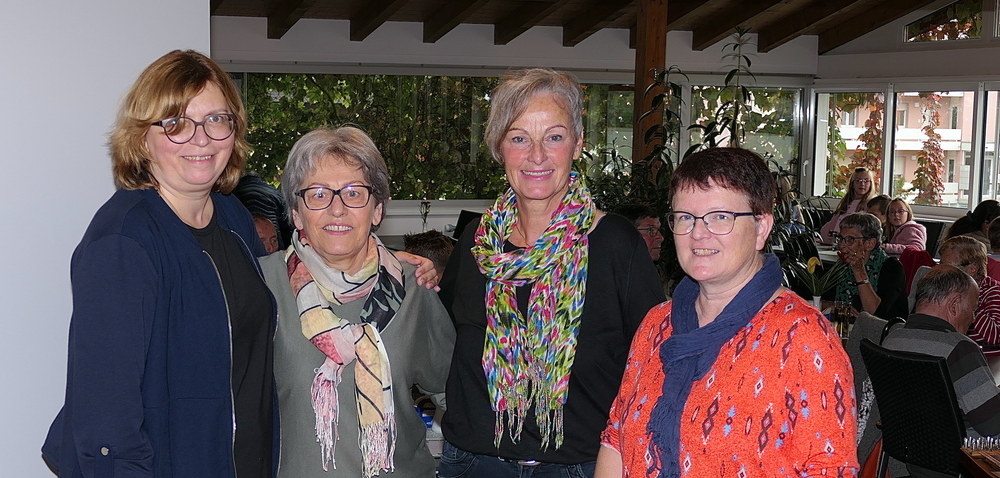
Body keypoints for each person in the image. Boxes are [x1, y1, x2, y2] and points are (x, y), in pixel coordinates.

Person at [42, 50, 278, 477]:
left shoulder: (233, 217)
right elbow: (105, 423)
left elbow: (280, 300)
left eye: (216, 119)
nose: (201, 139)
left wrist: (388, 268)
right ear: (141, 138)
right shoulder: (123, 243)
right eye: (175, 124)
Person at [437, 68, 665, 477]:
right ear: (499, 148)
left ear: (577, 144)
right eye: (519, 138)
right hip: (475, 463)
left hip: (579, 466)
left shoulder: (616, 244)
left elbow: (654, 367)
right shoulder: (476, 242)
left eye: (554, 137)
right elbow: (440, 337)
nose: (537, 155)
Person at [596, 147, 858, 477]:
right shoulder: (657, 324)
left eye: (721, 216)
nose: (698, 233)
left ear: (761, 227)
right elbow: (616, 437)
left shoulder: (802, 337)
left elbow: (831, 469)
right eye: (685, 217)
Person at [260, 127, 456, 478]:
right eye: (318, 194)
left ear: (377, 209)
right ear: (297, 212)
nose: (337, 209)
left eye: (354, 193)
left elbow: (456, 395)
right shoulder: (261, 284)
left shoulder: (411, 286)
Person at [882, 264, 1000, 476]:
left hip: (916, 461)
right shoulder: (958, 348)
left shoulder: (892, 339)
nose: (973, 318)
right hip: (966, 462)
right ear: (954, 305)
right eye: (972, 309)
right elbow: (993, 425)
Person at [938, 236, 1000, 384]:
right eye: (940, 266)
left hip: (985, 359)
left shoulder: (993, 292)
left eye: (950, 268)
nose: (941, 273)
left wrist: (970, 304)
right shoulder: (944, 288)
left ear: (972, 269)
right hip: (951, 354)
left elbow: (996, 337)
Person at [824, 212, 908, 321]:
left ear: (870, 243)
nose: (841, 245)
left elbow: (875, 313)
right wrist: (835, 307)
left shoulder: (892, 268)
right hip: (846, 329)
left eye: (850, 240)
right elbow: (819, 300)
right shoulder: (841, 266)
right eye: (840, 238)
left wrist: (859, 272)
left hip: (884, 333)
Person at [820, 167, 875, 243]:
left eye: (866, 181)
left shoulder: (871, 204)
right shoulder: (847, 201)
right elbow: (833, 223)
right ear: (852, 183)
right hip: (834, 241)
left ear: (871, 183)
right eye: (858, 181)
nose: (862, 184)